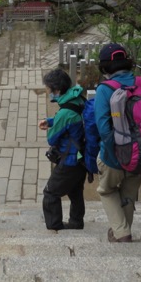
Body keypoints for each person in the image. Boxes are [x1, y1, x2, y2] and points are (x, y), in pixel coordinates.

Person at [93, 43, 141, 243]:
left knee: (107, 190)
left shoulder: (105, 90)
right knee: (128, 195)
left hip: (115, 156)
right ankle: (121, 232)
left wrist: (117, 153)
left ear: (104, 68)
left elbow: (104, 129)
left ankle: (121, 233)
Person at [37, 68, 87, 231]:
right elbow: (73, 119)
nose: (48, 92)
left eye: (49, 89)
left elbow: (52, 138)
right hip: (82, 158)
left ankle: (54, 226)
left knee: (50, 192)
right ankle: (76, 222)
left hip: (69, 159)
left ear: (57, 90)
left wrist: (53, 124)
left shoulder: (65, 112)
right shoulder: (78, 98)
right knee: (75, 191)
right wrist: (52, 121)